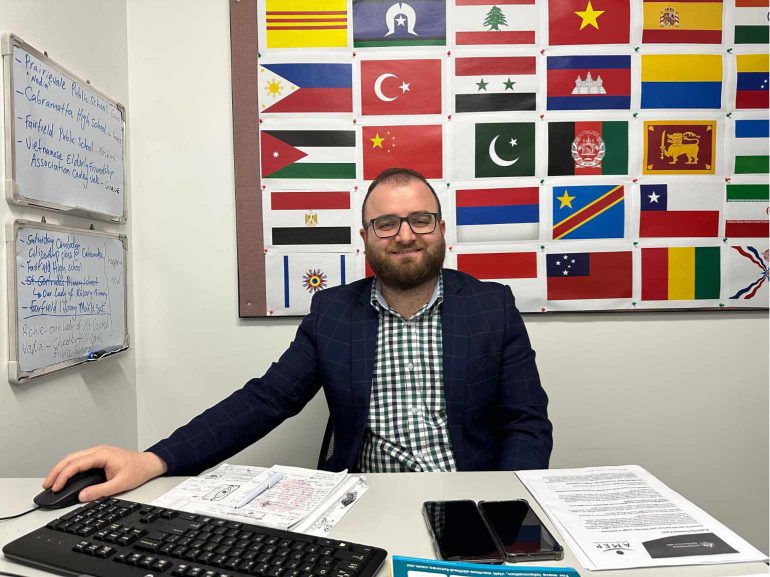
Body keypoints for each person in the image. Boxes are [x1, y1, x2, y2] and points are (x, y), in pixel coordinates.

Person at [43, 167, 553, 502]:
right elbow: (266, 400)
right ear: (365, 238)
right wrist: (153, 459)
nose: (404, 235)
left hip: (470, 498)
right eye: (386, 223)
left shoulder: (492, 306)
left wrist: (504, 501)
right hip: (364, 502)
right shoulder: (333, 312)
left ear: (441, 229)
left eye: (420, 220)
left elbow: (526, 423)